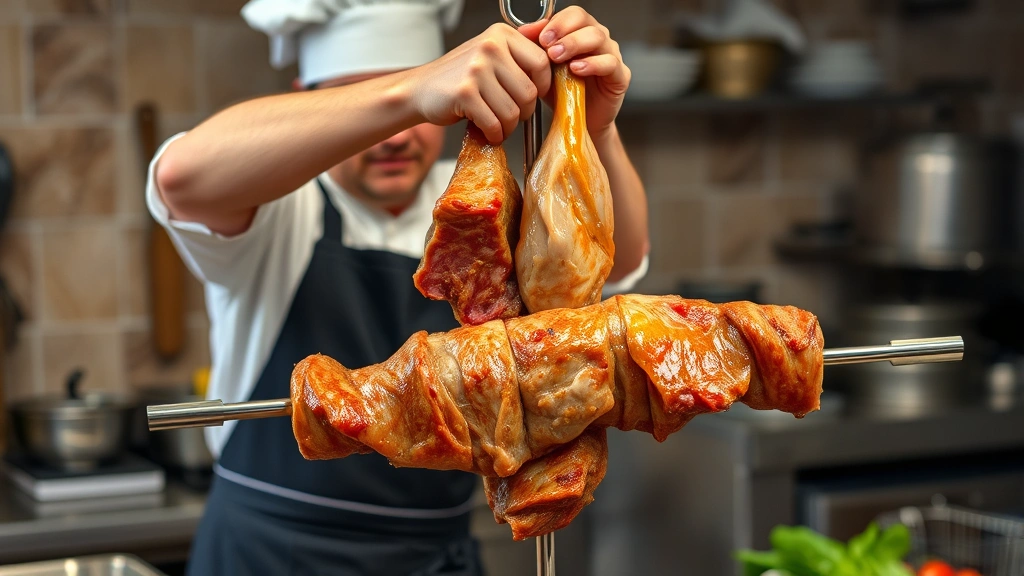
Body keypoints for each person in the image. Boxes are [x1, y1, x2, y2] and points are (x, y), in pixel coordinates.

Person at [147, 0, 650, 573]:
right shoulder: (279, 207)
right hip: (273, 554)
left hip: (431, 555)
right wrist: (409, 94)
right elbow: (179, 179)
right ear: (316, 102)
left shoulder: (479, 199)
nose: (394, 139)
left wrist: (593, 124)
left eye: (420, 114)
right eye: (370, 105)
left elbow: (624, 257)